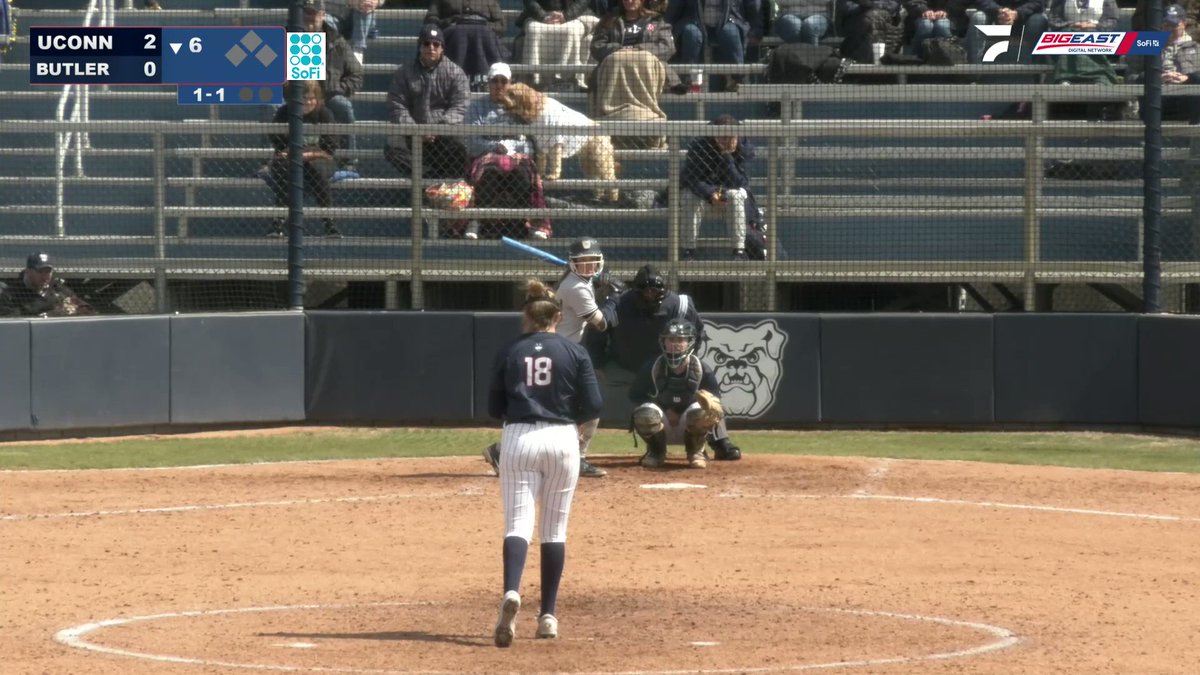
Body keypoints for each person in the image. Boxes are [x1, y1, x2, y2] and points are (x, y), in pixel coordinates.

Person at [487, 278, 603, 648]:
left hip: (519, 436)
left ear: (526, 314)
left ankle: (511, 591)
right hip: (562, 438)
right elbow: (595, 405)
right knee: (555, 529)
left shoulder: (509, 350)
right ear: (558, 315)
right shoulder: (574, 351)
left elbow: (493, 408)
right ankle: (548, 615)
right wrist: (573, 419)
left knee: (518, 523)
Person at [484, 237, 618, 477]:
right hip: (562, 353)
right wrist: (612, 300)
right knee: (588, 407)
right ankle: (578, 457)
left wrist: (599, 290)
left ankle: (502, 451)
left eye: (591, 262)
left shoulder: (578, 282)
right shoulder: (576, 287)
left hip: (562, 349)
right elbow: (601, 323)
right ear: (573, 264)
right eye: (582, 262)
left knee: (563, 408)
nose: (588, 267)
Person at [599, 264, 741, 459]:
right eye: (645, 290)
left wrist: (683, 362)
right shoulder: (619, 303)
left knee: (705, 401)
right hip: (631, 366)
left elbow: (696, 334)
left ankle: (718, 441)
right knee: (644, 411)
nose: (649, 294)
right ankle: (656, 450)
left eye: (654, 290)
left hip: (672, 364)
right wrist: (598, 364)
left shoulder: (680, 304)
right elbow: (597, 332)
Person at [628, 319, 729, 469]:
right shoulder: (652, 366)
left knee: (704, 411)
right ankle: (656, 452)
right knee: (645, 413)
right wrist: (666, 409)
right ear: (663, 342)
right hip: (661, 425)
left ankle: (696, 452)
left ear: (689, 342)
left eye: (680, 339)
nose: (675, 344)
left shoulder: (702, 368)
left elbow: (717, 403)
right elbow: (635, 395)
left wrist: (721, 439)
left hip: (690, 426)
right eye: (671, 339)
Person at [499, 83, 620, 204]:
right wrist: (540, 173)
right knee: (588, 169)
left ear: (524, 99)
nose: (506, 98)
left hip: (594, 134)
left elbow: (556, 144)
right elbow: (542, 148)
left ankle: (614, 197)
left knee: (603, 169)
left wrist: (554, 172)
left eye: (512, 95)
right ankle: (598, 195)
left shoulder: (547, 113)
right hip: (588, 132)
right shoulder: (535, 116)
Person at [588, 0, 679, 150]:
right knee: (618, 58)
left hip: (645, 68)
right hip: (614, 68)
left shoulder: (656, 21)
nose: (629, 1)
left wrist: (638, 49)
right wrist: (618, 50)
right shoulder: (609, 20)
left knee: (642, 58)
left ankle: (645, 109)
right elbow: (597, 46)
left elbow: (667, 47)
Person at [385, 24, 471, 179]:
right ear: (419, 46)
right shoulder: (404, 72)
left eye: (436, 44)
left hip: (444, 135)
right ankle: (427, 180)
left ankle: (440, 186)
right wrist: (416, 130)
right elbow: (397, 106)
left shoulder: (455, 72)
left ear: (442, 48)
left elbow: (460, 106)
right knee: (392, 145)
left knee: (459, 146)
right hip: (412, 134)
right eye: (426, 43)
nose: (431, 47)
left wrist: (439, 129)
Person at [679, 114, 766, 261]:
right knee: (688, 197)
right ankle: (688, 250)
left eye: (729, 136)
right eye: (721, 137)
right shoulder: (700, 145)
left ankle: (739, 251)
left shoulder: (745, 148)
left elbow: (740, 182)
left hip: (730, 193)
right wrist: (710, 193)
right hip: (703, 193)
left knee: (737, 195)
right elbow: (691, 178)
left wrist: (727, 156)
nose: (725, 141)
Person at [265, 81, 343, 238]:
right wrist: (298, 153)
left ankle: (329, 223)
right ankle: (278, 222)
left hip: (318, 159)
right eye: (303, 98)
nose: (308, 102)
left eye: (312, 98)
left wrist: (302, 154)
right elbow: (278, 143)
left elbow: (329, 147)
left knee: (318, 171)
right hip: (290, 159)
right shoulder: (284, 113)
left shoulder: (324, 114)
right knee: (282, 169)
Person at [302, 0, 364, 173]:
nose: (309, 17)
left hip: (327, 96)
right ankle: (271, 160)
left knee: (342, 105)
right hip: (296, 97)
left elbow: (357, 75)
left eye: (313, 13)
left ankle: (349, 161)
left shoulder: (337, 41)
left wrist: (338, 88)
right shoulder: (286, 36)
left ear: (322, 15)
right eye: (305, 13)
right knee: (271, 103)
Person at [666, 0, 764, 92]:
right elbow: (674, 8)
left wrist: (756, 30)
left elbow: (752, 4)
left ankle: (737, 80)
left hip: (728, 20)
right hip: (694, 19)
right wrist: (666, 27)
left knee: (730, 33)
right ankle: (687, 80)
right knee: (692, 34)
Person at [514, 0, 602, 90]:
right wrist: (543, 16)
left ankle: (568, 78)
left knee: (571, 31)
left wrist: (566, 16)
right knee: (534, 30)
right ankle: (535, 79)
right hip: (540, 15)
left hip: (576, 15)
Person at [425, 0, 508, 86]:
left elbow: (501, 25)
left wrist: (484, 25)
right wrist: (450, 22)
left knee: (482, 33)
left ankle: (485, 82)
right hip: (453, 36)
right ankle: (453, 81)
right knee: (460, 32)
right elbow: (430, 19)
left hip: (484, 38)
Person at [0, 253, 95, 318]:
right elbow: (13, 323)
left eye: (48, 271)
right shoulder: (11, 294)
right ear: (28, 271)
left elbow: (88, 310)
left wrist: (73, 310)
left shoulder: (58, 289)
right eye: (40, 271)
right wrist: (50, 315)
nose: (45, 276)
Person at [965, 0, 1048, 63]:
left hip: (1026, 18)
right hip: (996, 17)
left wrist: (1017, 14)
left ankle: (1039, 74)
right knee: (978, 17)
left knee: (1038, 21)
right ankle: (974, 74)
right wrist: (998, 11)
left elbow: (1039, 2)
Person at [836, 0, 903, 64]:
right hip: (854, 18)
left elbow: (893, 5)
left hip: (881, 15)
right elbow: (845, 8)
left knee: (871, 17)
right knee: (867, 19)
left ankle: (876, 60)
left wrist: (872, 4)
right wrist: (863, 6)